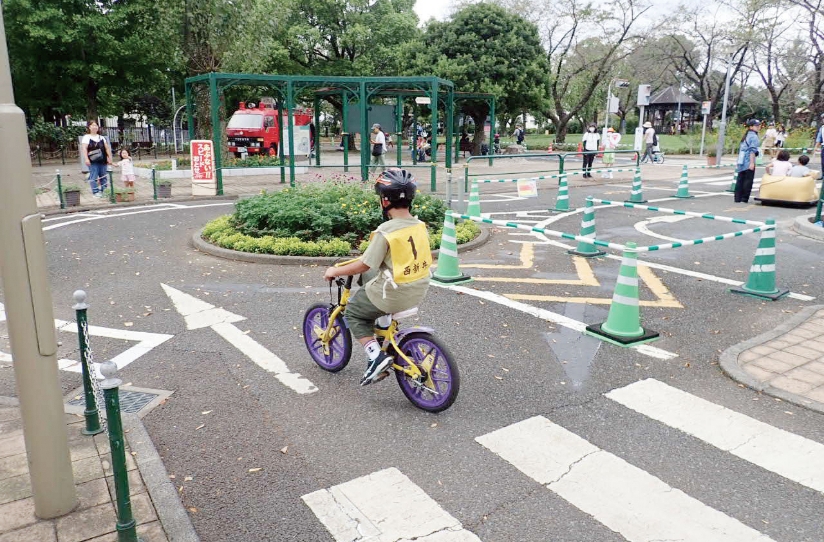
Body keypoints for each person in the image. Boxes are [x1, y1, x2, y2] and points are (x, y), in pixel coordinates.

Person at [323, 169, 432, 386]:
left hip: (393, 294)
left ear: (384, 201)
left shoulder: (386, 231)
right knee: (370, 277)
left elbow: (363, 264)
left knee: (353, 313)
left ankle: (376, 356)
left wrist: (334, 271)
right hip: (419, 288)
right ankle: (382, 325)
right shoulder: (420, 226)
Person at [81, 121, 112, 197]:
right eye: (93, 125)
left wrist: (109, 157)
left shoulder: (101, 137)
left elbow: (107, 148)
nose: (95, 127)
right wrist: (86, 159)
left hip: (103, 159)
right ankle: (95, 191)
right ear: (89, 127)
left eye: (96, 125)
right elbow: (84, 149)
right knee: (93, 176)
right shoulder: (86, 137)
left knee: (103, 176)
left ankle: (104, 190)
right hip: (92, 160)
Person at [734, 119, 762, 203]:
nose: (758, 127)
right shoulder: (754, 136)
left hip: (741, 160)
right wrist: (752, 163)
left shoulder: (746, 135)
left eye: (759, 125)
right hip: (748, 160)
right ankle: (744, 198)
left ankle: (737, 198)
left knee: (740, 179)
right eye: (756, 126)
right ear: (751, 127)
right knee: (748, 180)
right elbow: (752, 151)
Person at [814, 113, 824, 180]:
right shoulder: (822, 128)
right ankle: (823, 175)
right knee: (823, 162)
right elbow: (819, 138)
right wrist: (816, 147)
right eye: (823, 118)